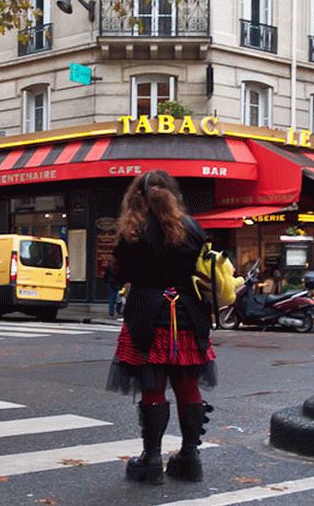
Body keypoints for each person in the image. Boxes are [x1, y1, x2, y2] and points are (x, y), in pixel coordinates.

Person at [105, 170, 215, 485]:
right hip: (189, 316)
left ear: (136, 196)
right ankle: (190, 457)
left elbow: (121, 273)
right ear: (171, 192)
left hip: (146, 315)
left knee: (153, 385)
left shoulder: (133, 230)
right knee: (187, 384)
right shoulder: (192, 228)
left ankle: (151, 459)